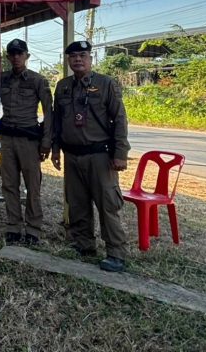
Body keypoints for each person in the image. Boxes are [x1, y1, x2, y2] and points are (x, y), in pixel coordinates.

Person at [51, 40, 130, 273]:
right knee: (77, 203)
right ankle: (84, 244)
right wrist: (55, 149)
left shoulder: (106, 84)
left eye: (82, 55)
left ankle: (116, 252)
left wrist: (121, 153)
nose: (77, 59)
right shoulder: (63, 86)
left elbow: (120, 119)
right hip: (72, 155)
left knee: (107, 204)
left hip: (100, 155)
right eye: (73, 56)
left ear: (90, 59)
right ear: (68, 60)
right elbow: (57, 121)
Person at [0, 39, 53, 246]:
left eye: (20, 53)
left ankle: (33, 228)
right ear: (8, 57)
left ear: (27, 56)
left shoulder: (38, 80)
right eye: (12, 54)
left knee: (32, 186)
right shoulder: (2, 79)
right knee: (9, 184)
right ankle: (13, 225)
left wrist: (46, 141)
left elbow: (49, 112)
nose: (16, 57)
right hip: (8, 139)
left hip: (29, 140)